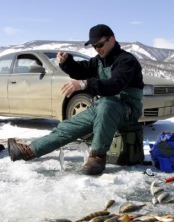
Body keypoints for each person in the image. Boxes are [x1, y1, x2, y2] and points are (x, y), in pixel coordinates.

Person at [7, 24, 144, 175]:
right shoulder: (98, 61)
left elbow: (114, 85)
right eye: (94, 46)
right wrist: (66, 62)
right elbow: (81, 69)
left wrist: (85, 84)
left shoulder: (126, 61)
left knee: (106, 106)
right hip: (103, 107)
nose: (97, 49)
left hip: (127, 109)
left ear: (112, 39)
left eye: (99, 45)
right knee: (69, 127)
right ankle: (30, 151)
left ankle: (97, 156)